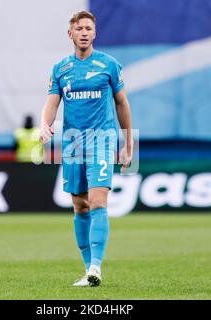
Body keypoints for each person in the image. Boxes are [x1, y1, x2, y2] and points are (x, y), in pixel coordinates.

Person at [39, 11, 133, 287]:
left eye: (88, 28)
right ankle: (87, 270)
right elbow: (52, 102)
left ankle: (96, 267)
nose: (83, 32)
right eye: (78, 28)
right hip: (73, 143)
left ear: (94, 33)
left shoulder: (109, 65)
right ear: (70, 34)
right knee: (79, 205)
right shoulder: (60, 69)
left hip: (102, 140)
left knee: (97, 201)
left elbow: (122, 105)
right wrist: (45, 124)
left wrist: (128, 144)